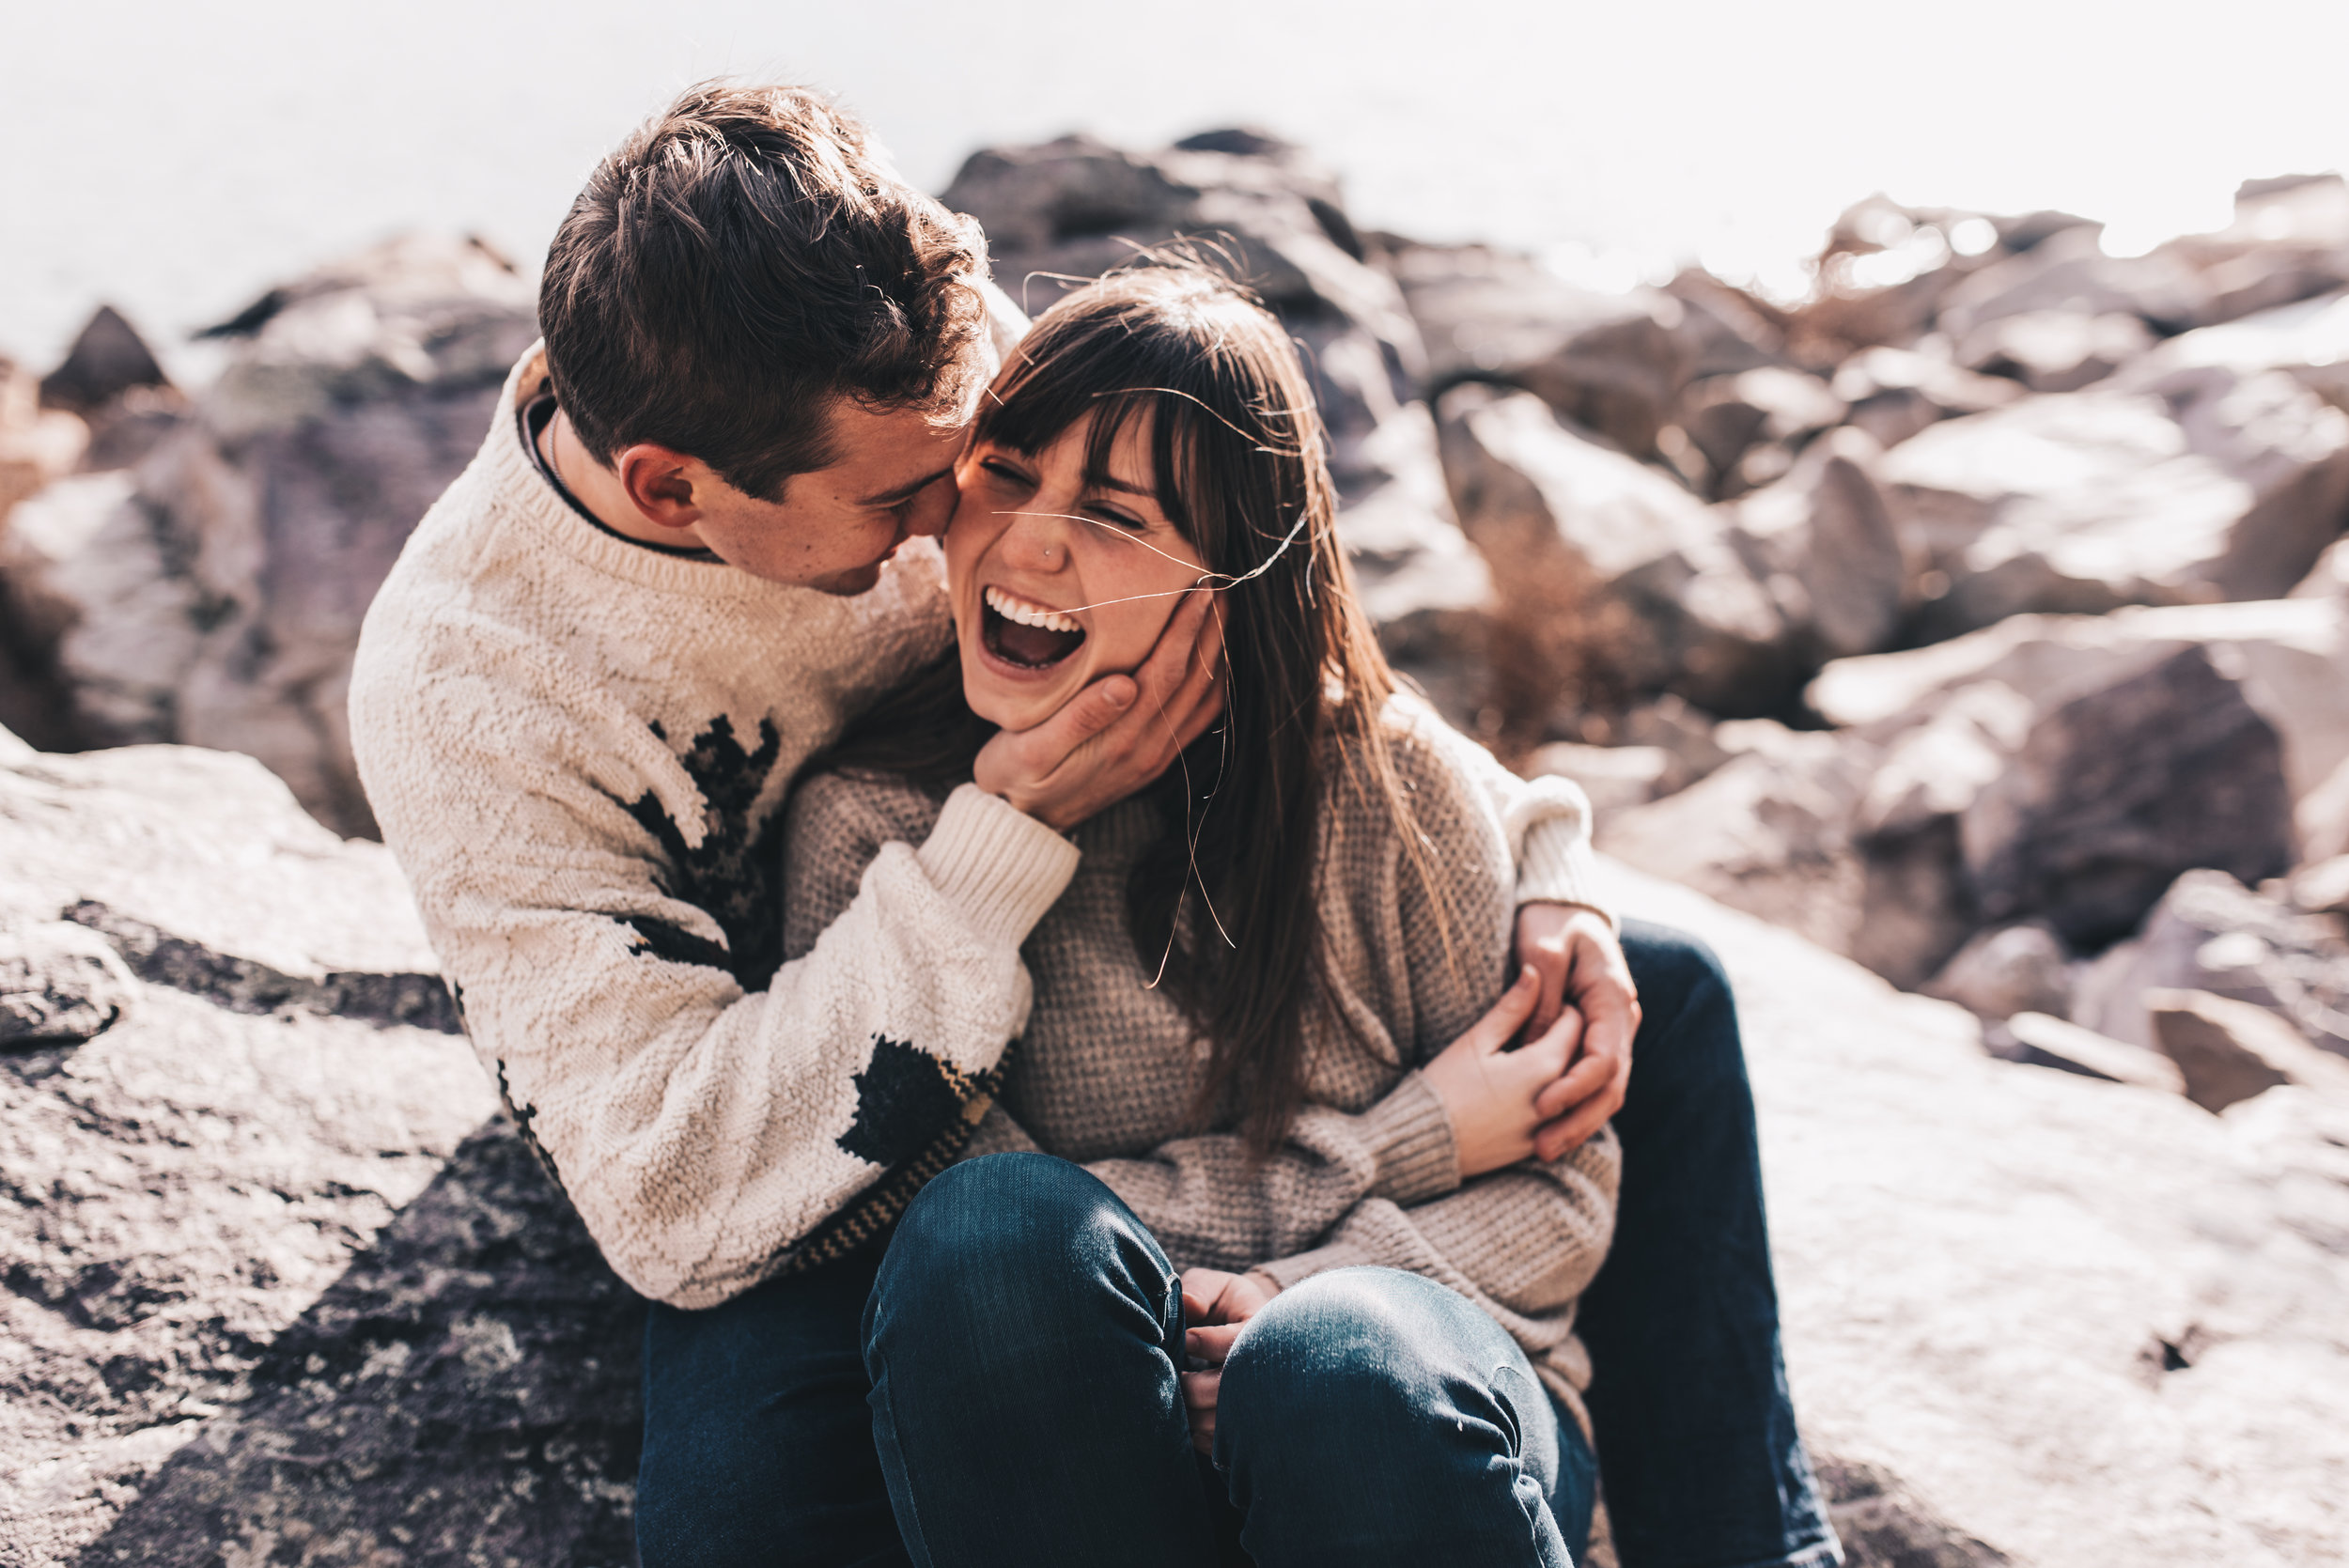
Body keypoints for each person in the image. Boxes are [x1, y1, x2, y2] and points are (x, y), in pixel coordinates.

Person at [346, 82, 1838, 1568]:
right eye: (919, 491)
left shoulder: (897, 359)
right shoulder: (477, 687)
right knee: (767, 1496)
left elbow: (1241, 579)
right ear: (675, 489)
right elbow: (677, 1194)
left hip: (1111, 929)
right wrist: (1003, 845)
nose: (971, 523)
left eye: (974, 448)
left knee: (1657, 1001)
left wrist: (1540, 851)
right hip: (781, 1097)